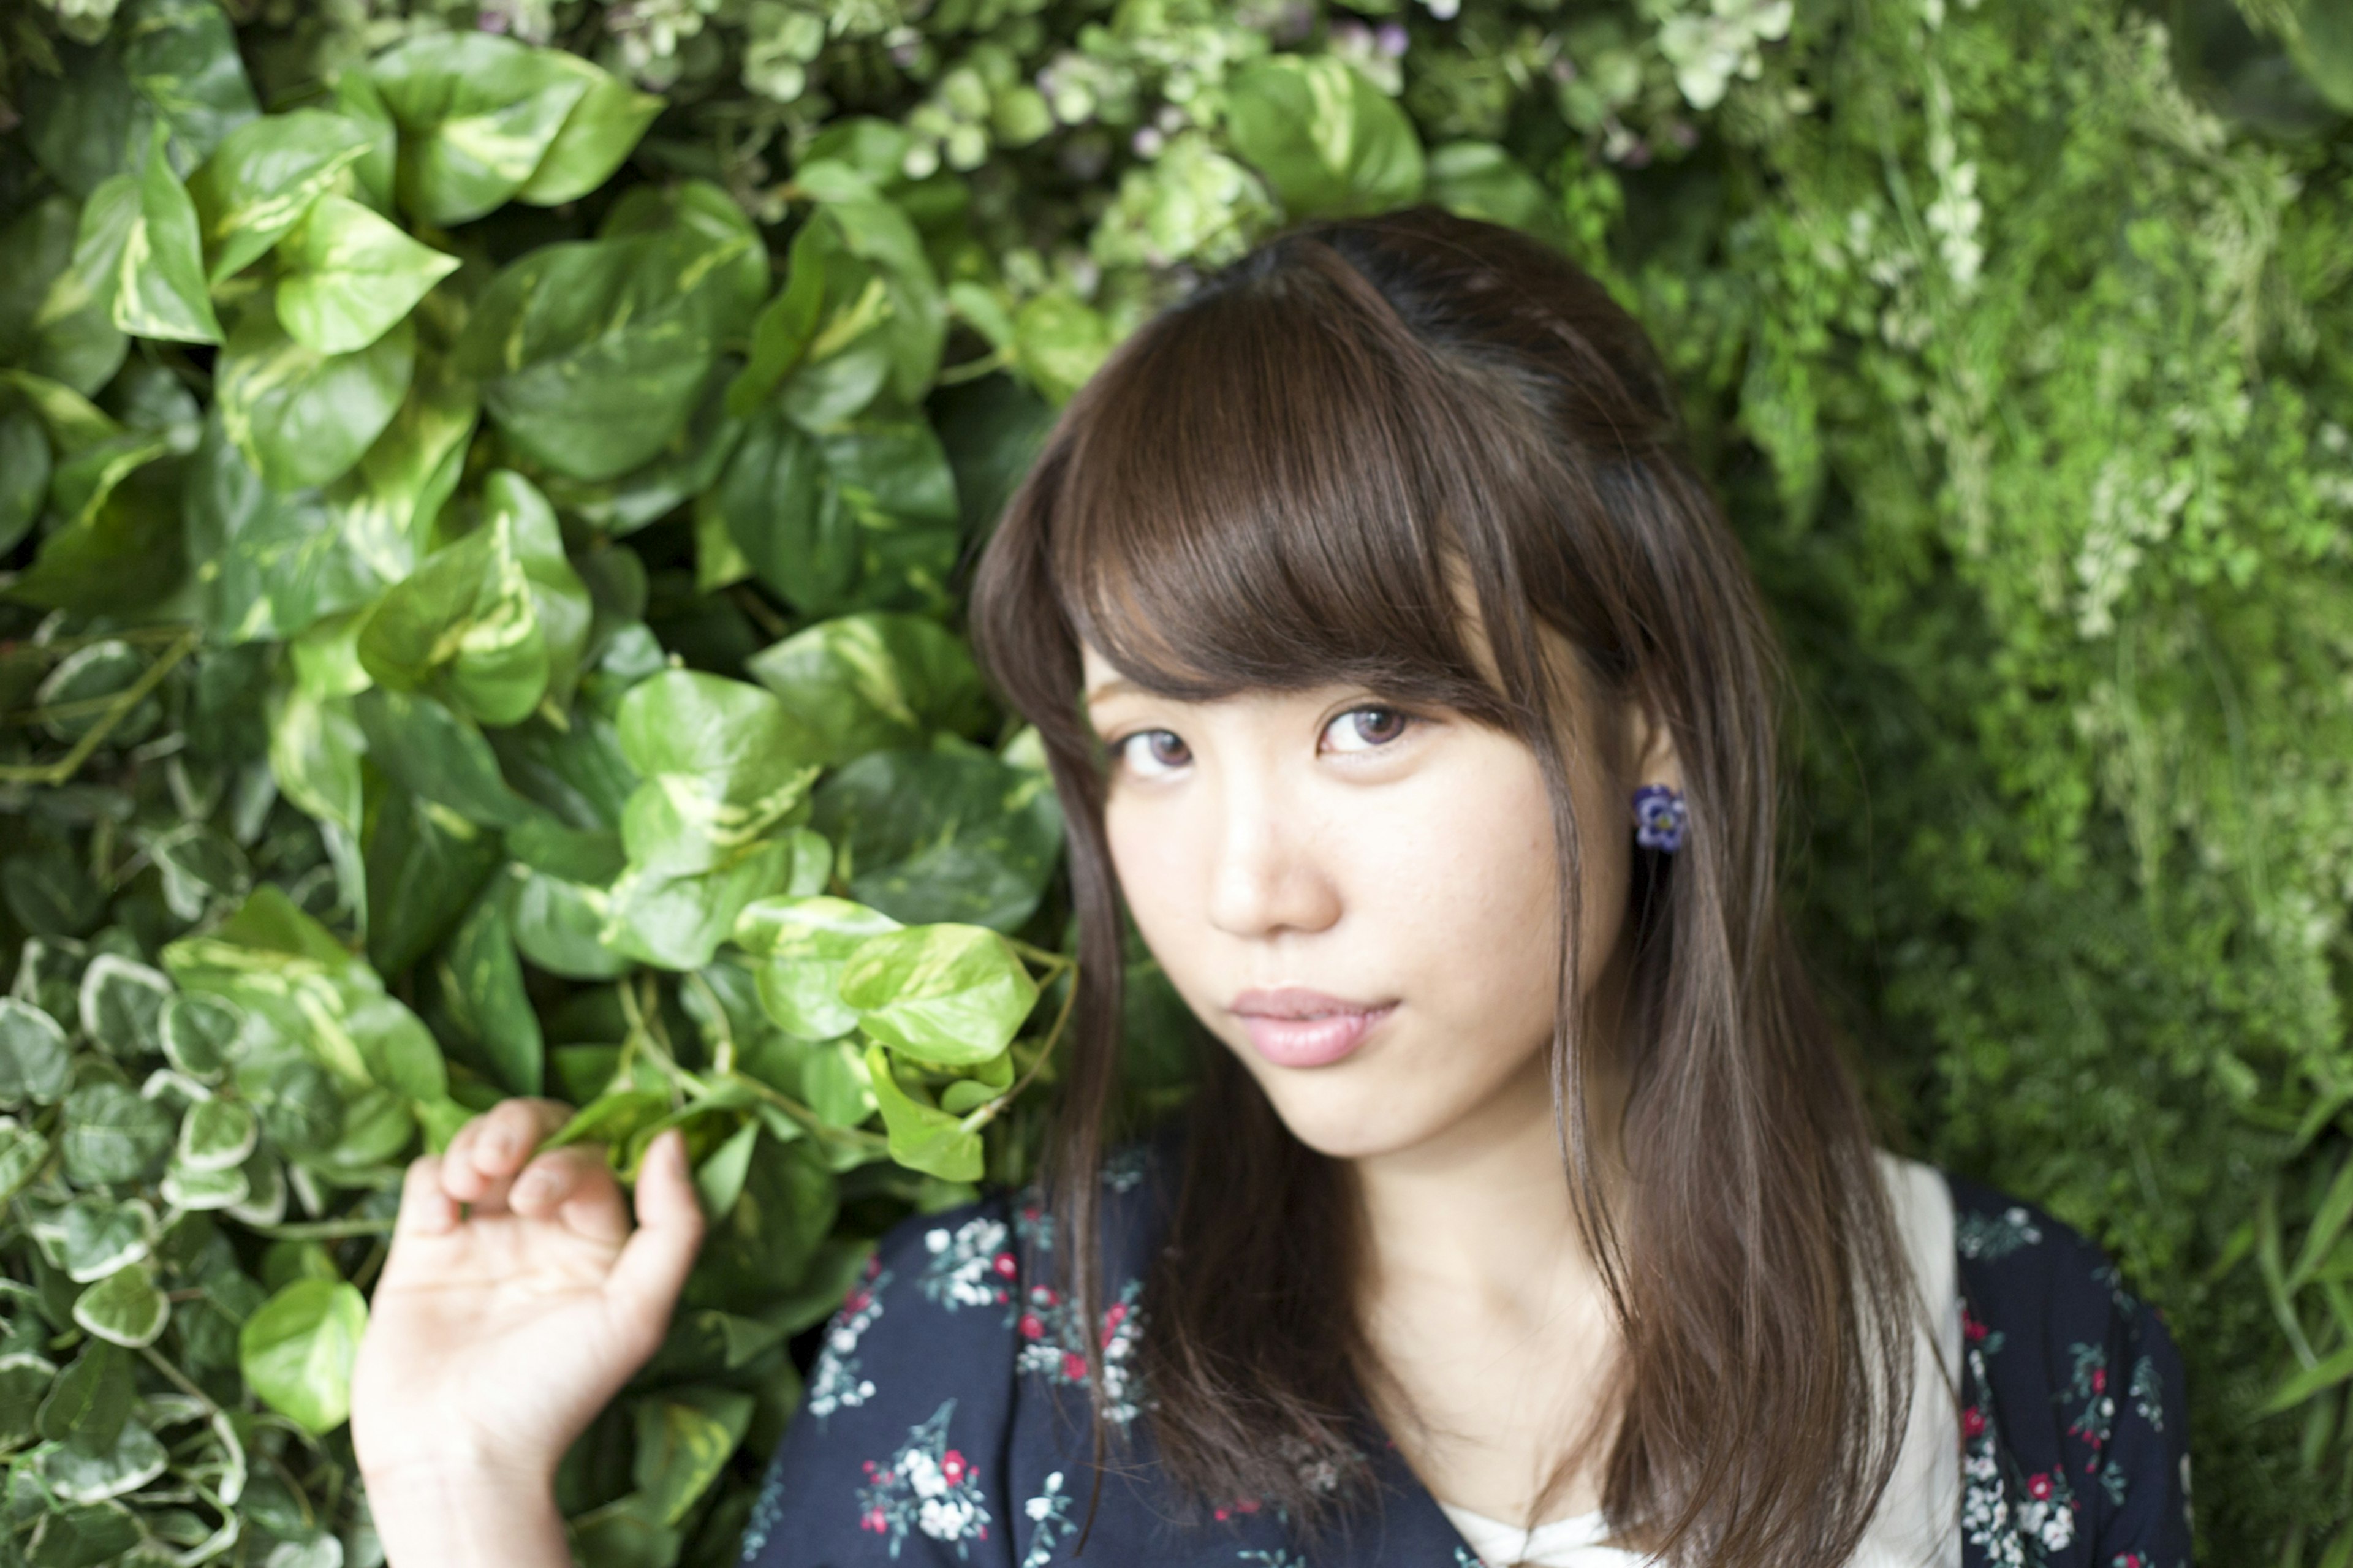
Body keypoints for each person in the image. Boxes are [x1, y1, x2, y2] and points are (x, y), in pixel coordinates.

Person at [349, 206, 2195, 1567]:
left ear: (1657, 730)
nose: (1245, 889)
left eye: (1374, 722)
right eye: (1157, 745)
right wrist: (458, 1489)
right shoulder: (993, 1362)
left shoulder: (2020, 1359)